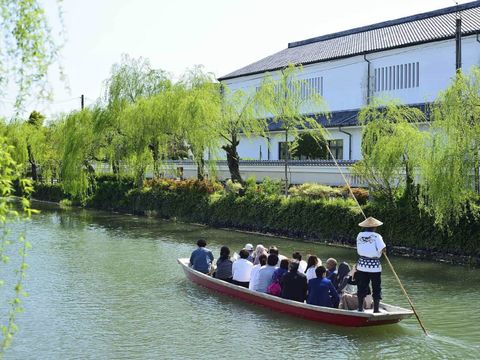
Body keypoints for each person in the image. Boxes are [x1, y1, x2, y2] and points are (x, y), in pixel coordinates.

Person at [356, 216, 386, 313]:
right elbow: (383, 249)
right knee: (376, 288)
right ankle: (376, 310)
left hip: (361, 265)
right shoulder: (377, 236)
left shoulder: (359, 235)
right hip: (374, 267)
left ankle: (360, 308)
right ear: (374, 227)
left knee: (361, 286)